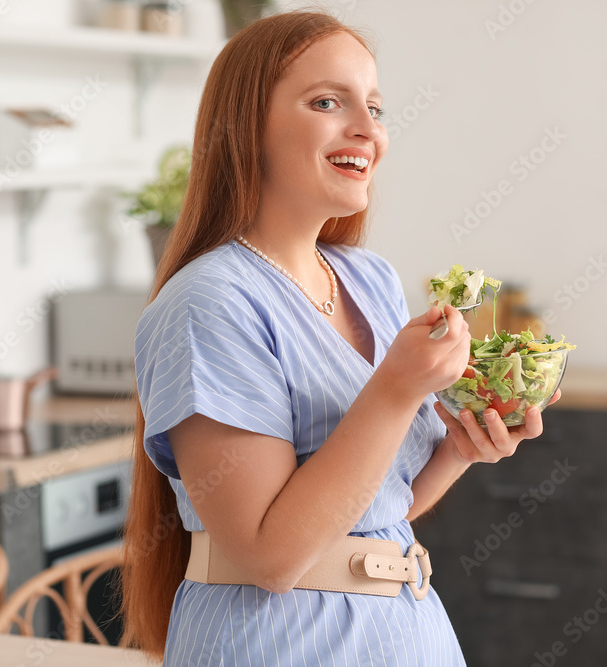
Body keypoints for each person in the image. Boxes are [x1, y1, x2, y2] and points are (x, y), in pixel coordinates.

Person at [117, 9, 561, 666]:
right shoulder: (209, 302)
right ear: (246, 126)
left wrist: (462, 449)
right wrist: (397, 387)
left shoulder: (370, 279)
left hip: (406, 631)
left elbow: (380, 506)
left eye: (375, 108)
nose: (366, 129)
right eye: (327, 101)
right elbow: (271, 555)